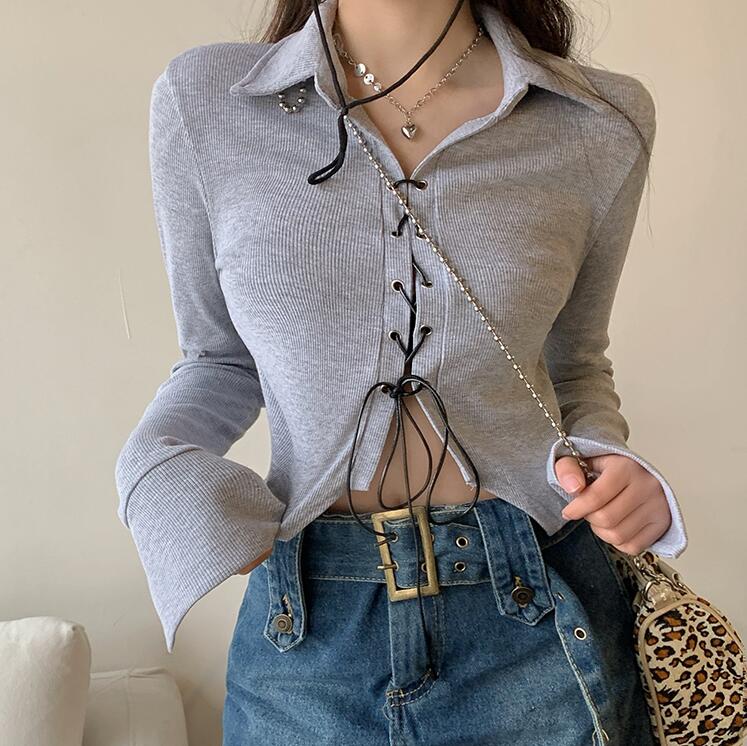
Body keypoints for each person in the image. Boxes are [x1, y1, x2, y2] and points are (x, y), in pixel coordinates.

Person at [114, 0, 689, 743]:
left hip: (535, 613)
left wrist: (612, 465)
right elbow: (217, 361)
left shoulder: (599, 118)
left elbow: (574, 367)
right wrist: (154, 467)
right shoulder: (207, 98)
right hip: (306, 633)